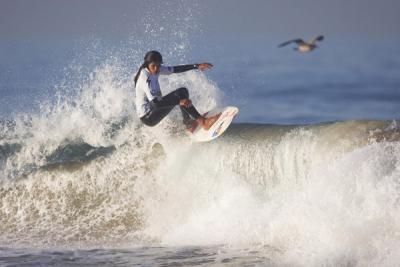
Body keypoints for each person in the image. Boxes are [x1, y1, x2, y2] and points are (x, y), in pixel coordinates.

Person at [134, 50, 220, 131]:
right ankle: (204, 122)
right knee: (179, 96)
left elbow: (176, 69)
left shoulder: (155, 69)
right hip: (149, 117)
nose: (156, 69)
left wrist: (196, 66)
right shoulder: (145, 78)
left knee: (183, 91)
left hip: (154, 109)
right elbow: (156, 104)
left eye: (158, 65)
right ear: (147, 65)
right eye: (153, 66)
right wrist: (178, 102)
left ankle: (188, 123)